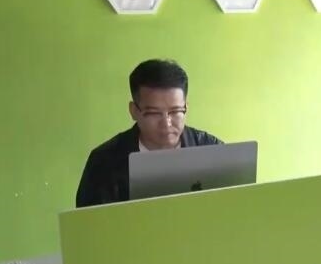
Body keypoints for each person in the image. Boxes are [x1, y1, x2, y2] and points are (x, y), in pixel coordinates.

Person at [75, 59, 222, 207]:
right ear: (133, 111)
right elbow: (90, 220)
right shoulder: (104, 162)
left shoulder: (213, 150)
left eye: (175, 111)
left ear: (186, 108)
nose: (166, 123)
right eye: (154, 113)